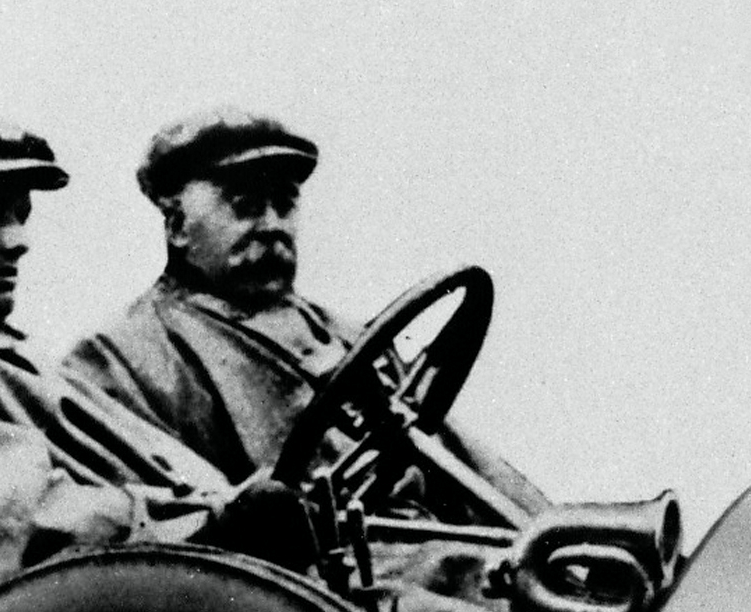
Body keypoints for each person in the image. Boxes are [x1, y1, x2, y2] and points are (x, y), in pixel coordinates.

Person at [0, 122, 316, 602]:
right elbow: (23, 530)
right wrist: (213, 523)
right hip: (152, 610)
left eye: (21, 216)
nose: (18, 240)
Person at [59, 108, 546, 518]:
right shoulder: (120, 359)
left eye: (285, 204)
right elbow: (166, 528)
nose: (271, 225)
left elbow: (457, 459)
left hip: (434, 551)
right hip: (312, 583)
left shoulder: (353, 338)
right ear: (178, 226)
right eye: (245, 206)